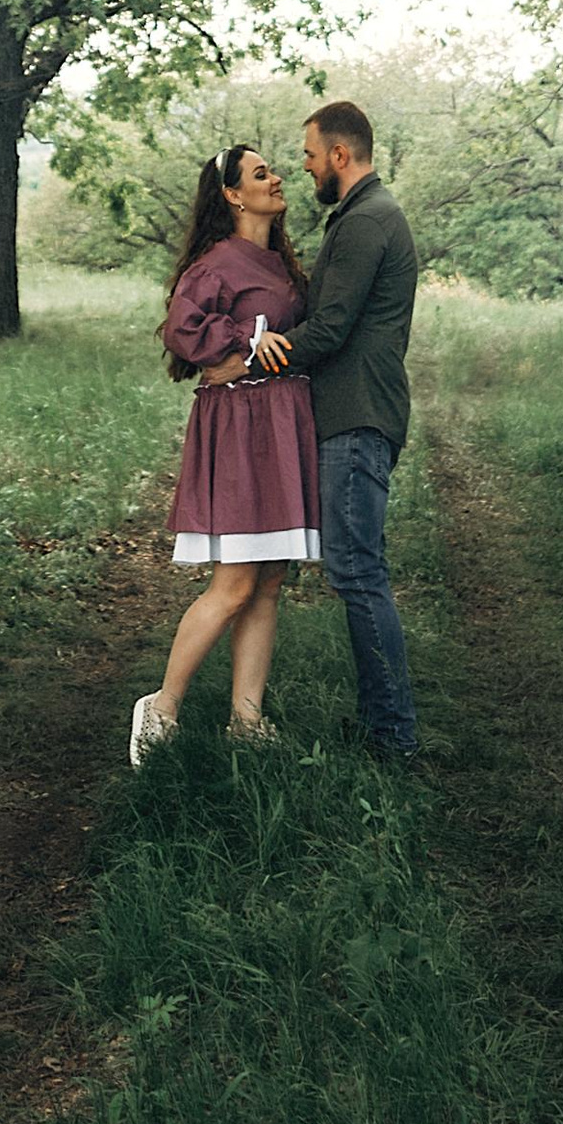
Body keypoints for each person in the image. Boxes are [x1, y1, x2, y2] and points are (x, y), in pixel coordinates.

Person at [131, 142, 322, 764]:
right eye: (261, 174)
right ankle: (160, 710)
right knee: (236, 583)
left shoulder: (282, 264)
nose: (276, 179)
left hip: (283, 422)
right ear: (233, 195)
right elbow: (183, 330)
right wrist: (247, 343)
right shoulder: (217, 263)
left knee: (269, 582)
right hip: (241, 428)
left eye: (274, 170)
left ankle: (247, 720)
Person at [249, 99, 420, 765]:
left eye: (312, 155)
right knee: (357, 574)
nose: (306, 166)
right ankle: (385, 725)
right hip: (355, 413)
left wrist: (254, 355)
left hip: (354, 417)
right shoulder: (367, 216)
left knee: (357, 576)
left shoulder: (366, 220)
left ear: (341, 156)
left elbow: (329, 329)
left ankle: (393, 739)